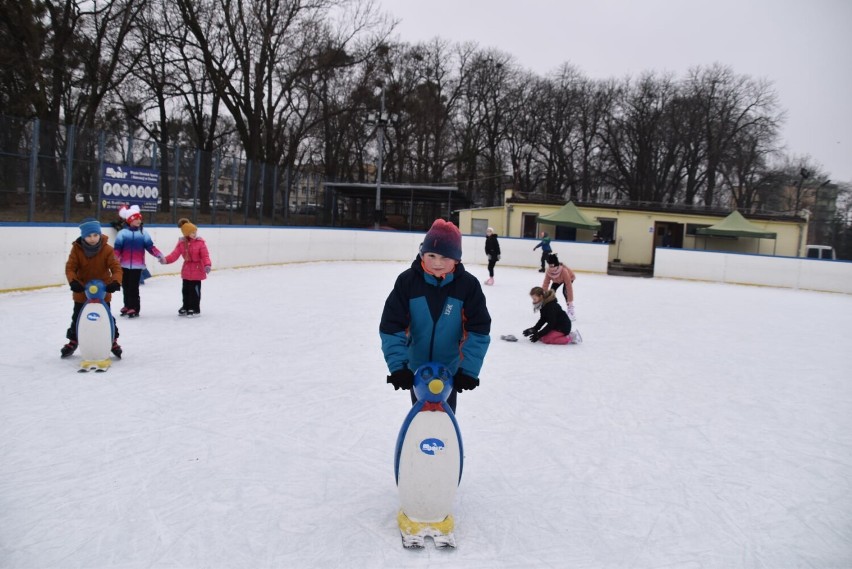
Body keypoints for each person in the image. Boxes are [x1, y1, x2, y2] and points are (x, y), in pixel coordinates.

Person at [380, 219, 491, 413]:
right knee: (421, 418)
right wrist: (398, 367)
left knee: (445, 419)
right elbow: (392, 325)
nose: (437, 263)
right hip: (417, 370)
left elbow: (478, 330)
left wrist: (469, 370)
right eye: (431, 255)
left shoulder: (468, 286)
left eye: (445, 257)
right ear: (422, 254)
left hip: (451, 371)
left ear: (456, 259)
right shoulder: (407, 282)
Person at [61, 218, 124, 358]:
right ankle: (73, 340)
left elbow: (116, 268)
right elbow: (70, 267)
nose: (92, 239)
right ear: (83, 236)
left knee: (107, 318)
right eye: (89, 236)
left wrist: (115, 282)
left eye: (95, 235)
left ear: (99, 234)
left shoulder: (107, 249)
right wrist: (73, 282)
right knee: (77, 317)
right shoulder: (77, 250)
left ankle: (112, 340)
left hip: (103, 291)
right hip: (82, 290)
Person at [113, 205, 164, 318]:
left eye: (140, 219)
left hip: (137, 266)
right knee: (125, 286)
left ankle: (134, 307)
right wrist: (113, 260)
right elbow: (117, 249)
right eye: (136, 219)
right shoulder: (122, 233)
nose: (139, 221)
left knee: (133, 287)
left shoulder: (143, 233)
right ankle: (127, 305)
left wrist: (159, 255)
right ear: (129, 220)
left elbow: (150, 247)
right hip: (124, 265)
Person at [160, 218, 212, 317]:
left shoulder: (200, 243)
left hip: (197, 269)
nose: (194, 234)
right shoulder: (181, 243)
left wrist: (207, 265)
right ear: (186, 233)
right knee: (185, 290)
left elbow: (205, 256)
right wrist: (165, 260)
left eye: (195, 232)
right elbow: (174, 255)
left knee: (194, 291)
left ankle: (195, 308)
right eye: (192, 232)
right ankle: (186, 306)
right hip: (187, 270)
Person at [542, 253, 577, 320]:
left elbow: (569, 287)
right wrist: (543, 295)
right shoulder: (548, 271)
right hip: (557, 280)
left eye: (553, 266)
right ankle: (550, 307)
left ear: (557, 265)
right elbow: (546, 283)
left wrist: (570, 301)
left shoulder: (564, 271)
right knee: (551, 292)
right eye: (550, 266)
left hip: (569, 278)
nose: (551, 268)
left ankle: (571, 310)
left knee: (565, 291)